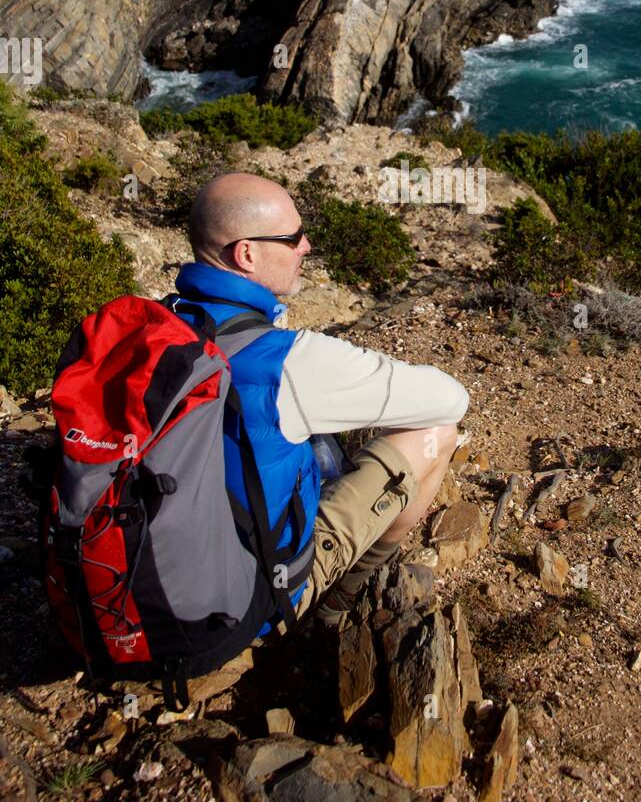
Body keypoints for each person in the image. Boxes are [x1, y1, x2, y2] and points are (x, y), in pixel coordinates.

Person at [171, 171, 469, 632]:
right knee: (436, 433)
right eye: (292, 237)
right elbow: (451, 399)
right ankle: (333, 605)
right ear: (246, 254)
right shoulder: (286, 363)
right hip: (241, 605)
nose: (306, 246)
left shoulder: (156, 327)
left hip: (138, 588)